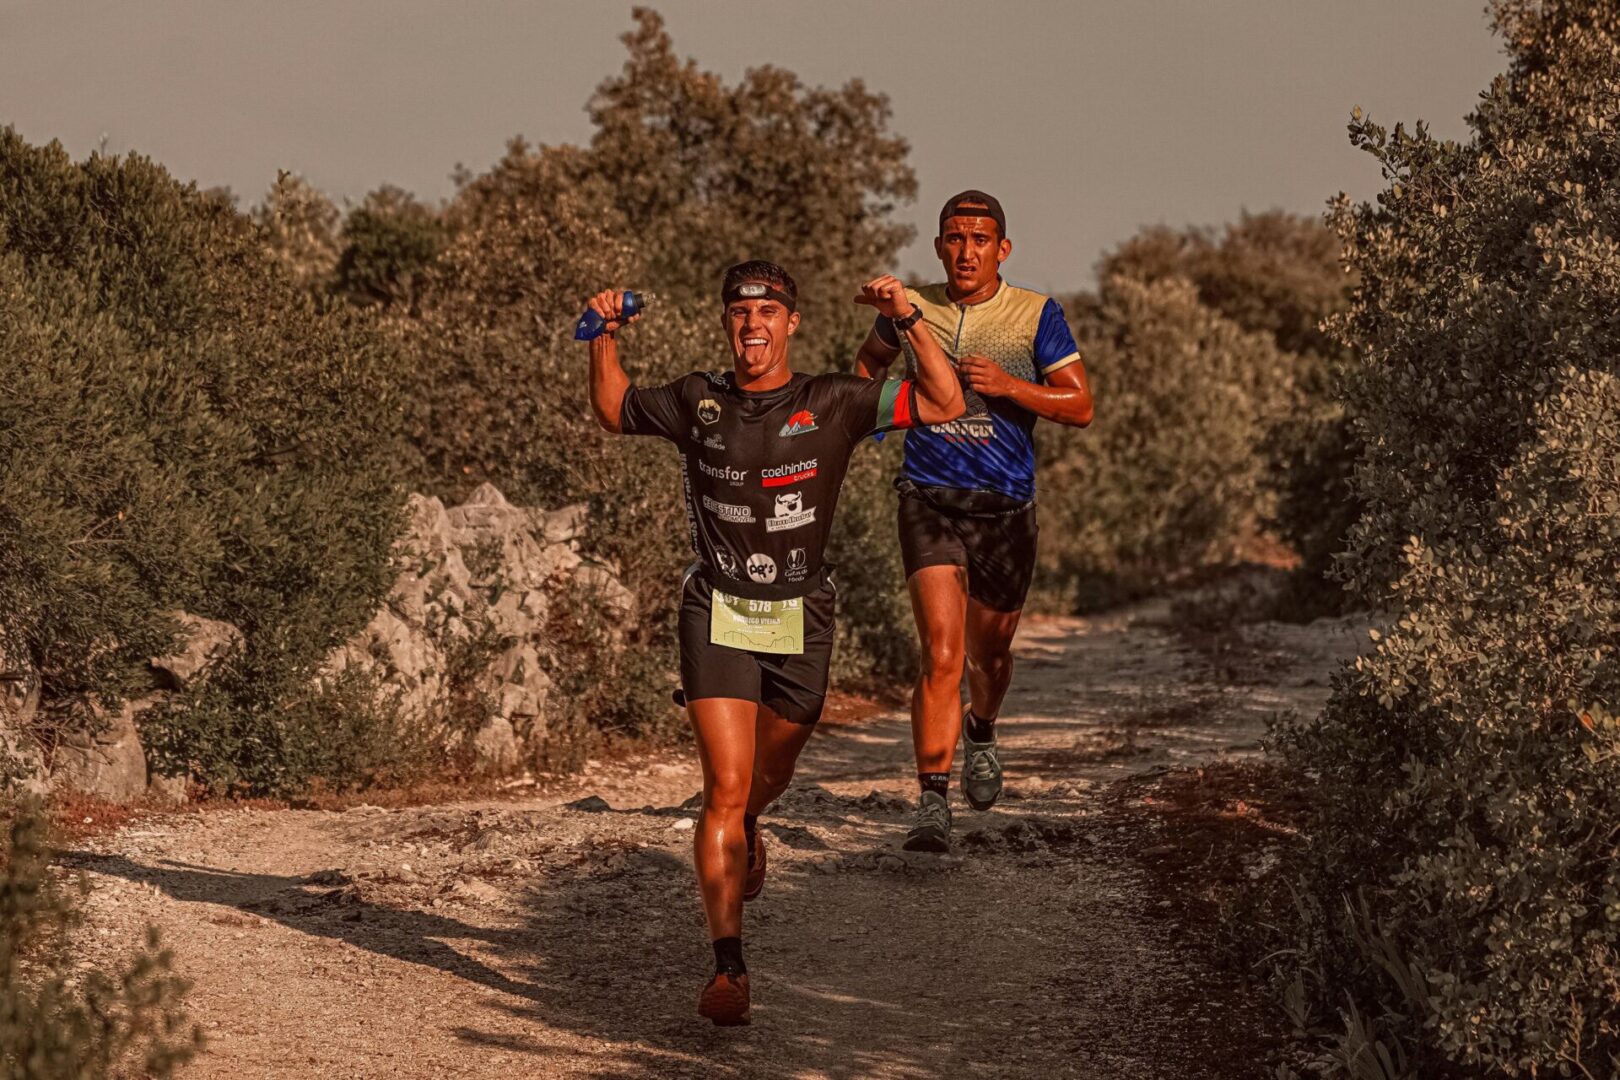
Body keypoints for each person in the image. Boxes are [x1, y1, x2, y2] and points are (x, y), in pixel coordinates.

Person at [585, 261, 963, 1026]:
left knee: (770, 773)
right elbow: (615, 406)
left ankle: (753, 820)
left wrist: (909, 316)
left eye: (766, 312)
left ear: (790, 323)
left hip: (801, 614)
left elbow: (946, 401)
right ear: (726, 324)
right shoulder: (699, 400)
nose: (751, 324)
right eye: (738, 313)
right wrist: (602, 332)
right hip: (716, 608)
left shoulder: (834, 402)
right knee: (723, 785)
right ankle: (729, 967)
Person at [854, 191, 1094, 852]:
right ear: (938, 247)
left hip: (1006, 508)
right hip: (929, 497)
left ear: (1002, 250)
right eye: (954, 239)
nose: (966, 251)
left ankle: (981, 728)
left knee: (988, 657)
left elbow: (1080, 406)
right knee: (939, 653)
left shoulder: (1036, 314)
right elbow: (868, 365)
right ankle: (931, 801)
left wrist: (1010, 386)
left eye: (980, 240)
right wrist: (879, 417)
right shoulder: (913, 306)